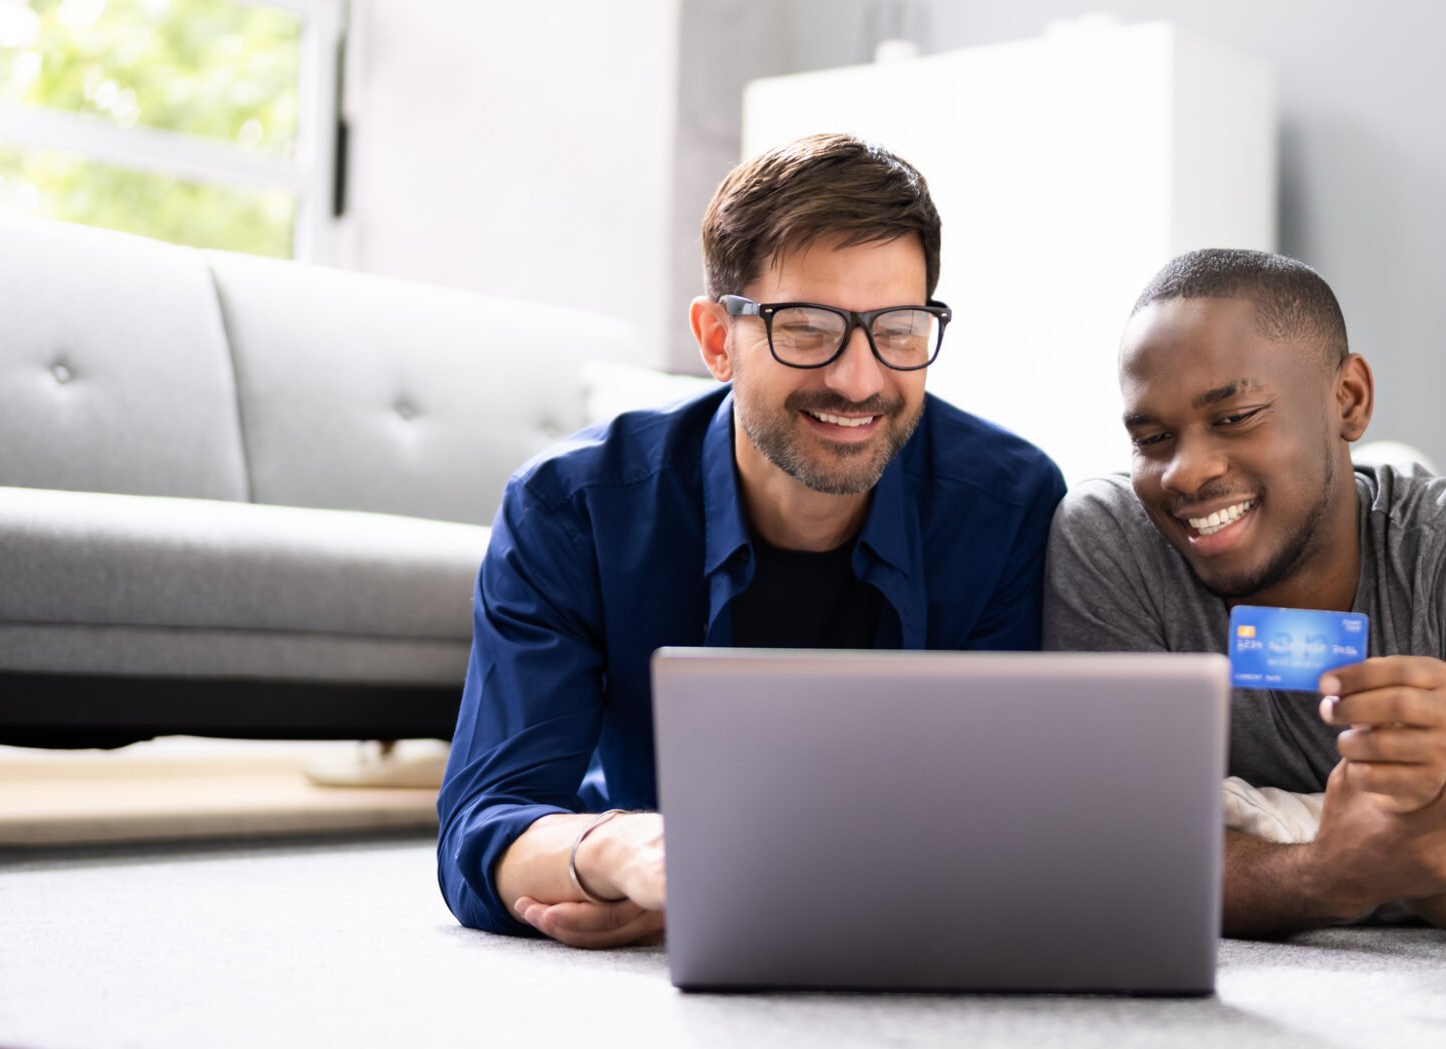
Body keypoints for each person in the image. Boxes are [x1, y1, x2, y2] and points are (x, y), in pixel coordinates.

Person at [437, 134, 1066, 948]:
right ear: (715, 340)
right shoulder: (570, 509)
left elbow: (1003, 813)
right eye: (806, 328)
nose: (859, 378)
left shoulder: (1009, 505)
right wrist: (617, 848)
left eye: (899, 330)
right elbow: (485, 824)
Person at [1046, 249, 1446, 940]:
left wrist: (1435, 794)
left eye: (1236, 417)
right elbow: (1123, 862)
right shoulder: (1109, 538)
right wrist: (1324, 877)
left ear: (1348, 400)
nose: (1186, 472)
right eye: (1153, 437)